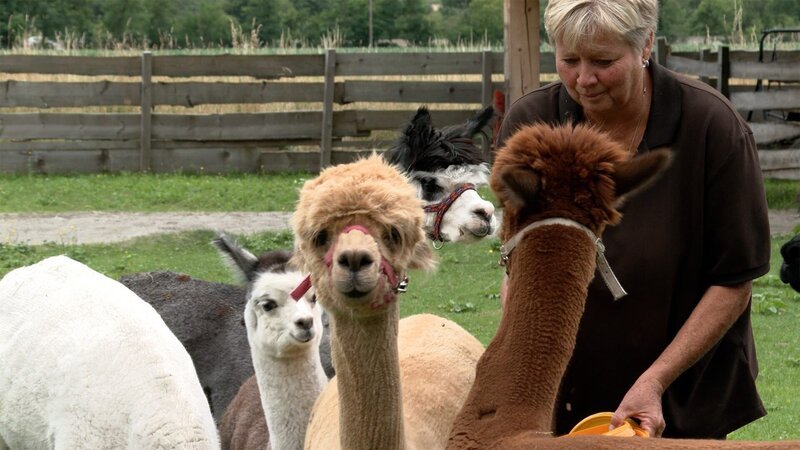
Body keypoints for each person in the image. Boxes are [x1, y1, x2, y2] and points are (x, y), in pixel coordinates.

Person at [495, 0, 771, 440]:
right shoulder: (531, 124)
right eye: (568, 60)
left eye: (603, 61)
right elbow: (518, 259)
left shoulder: (711, 127)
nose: (583, 79)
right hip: (566, 385)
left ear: (645, 45)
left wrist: (654, 381)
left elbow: (734, 281)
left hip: (683, 387)